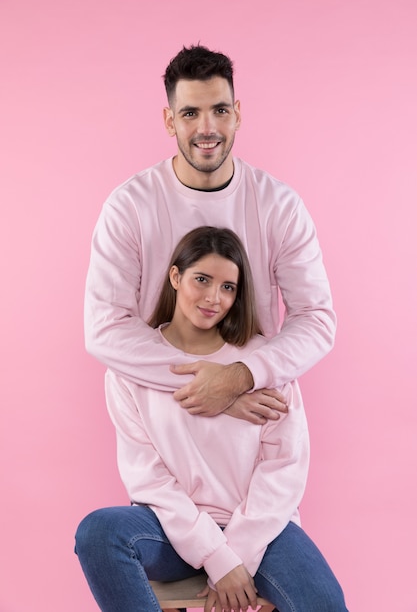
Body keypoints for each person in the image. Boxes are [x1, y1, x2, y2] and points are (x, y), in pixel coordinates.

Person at [75, 226, 348, 612]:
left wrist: (234, 557)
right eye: (201, 279)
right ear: (175, 277)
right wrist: (215, 558)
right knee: (99, 532)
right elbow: (148, 477)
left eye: (228, 287)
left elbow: (284, 467)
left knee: (325, 603)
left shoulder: (262, 362)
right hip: (168, 531)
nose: (213, 298)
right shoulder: (131, 366)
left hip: (261, 532)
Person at [83, 44, 336, 425]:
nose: (207, 129)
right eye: (190, 113)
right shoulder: (129, 207)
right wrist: (208, 384)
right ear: (170, 122)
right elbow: (104, 328)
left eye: (219, 110)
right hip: (159, 411)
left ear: (237, 114)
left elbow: (315, 318)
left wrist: (239, 377)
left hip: (254, 410)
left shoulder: (280, 206)